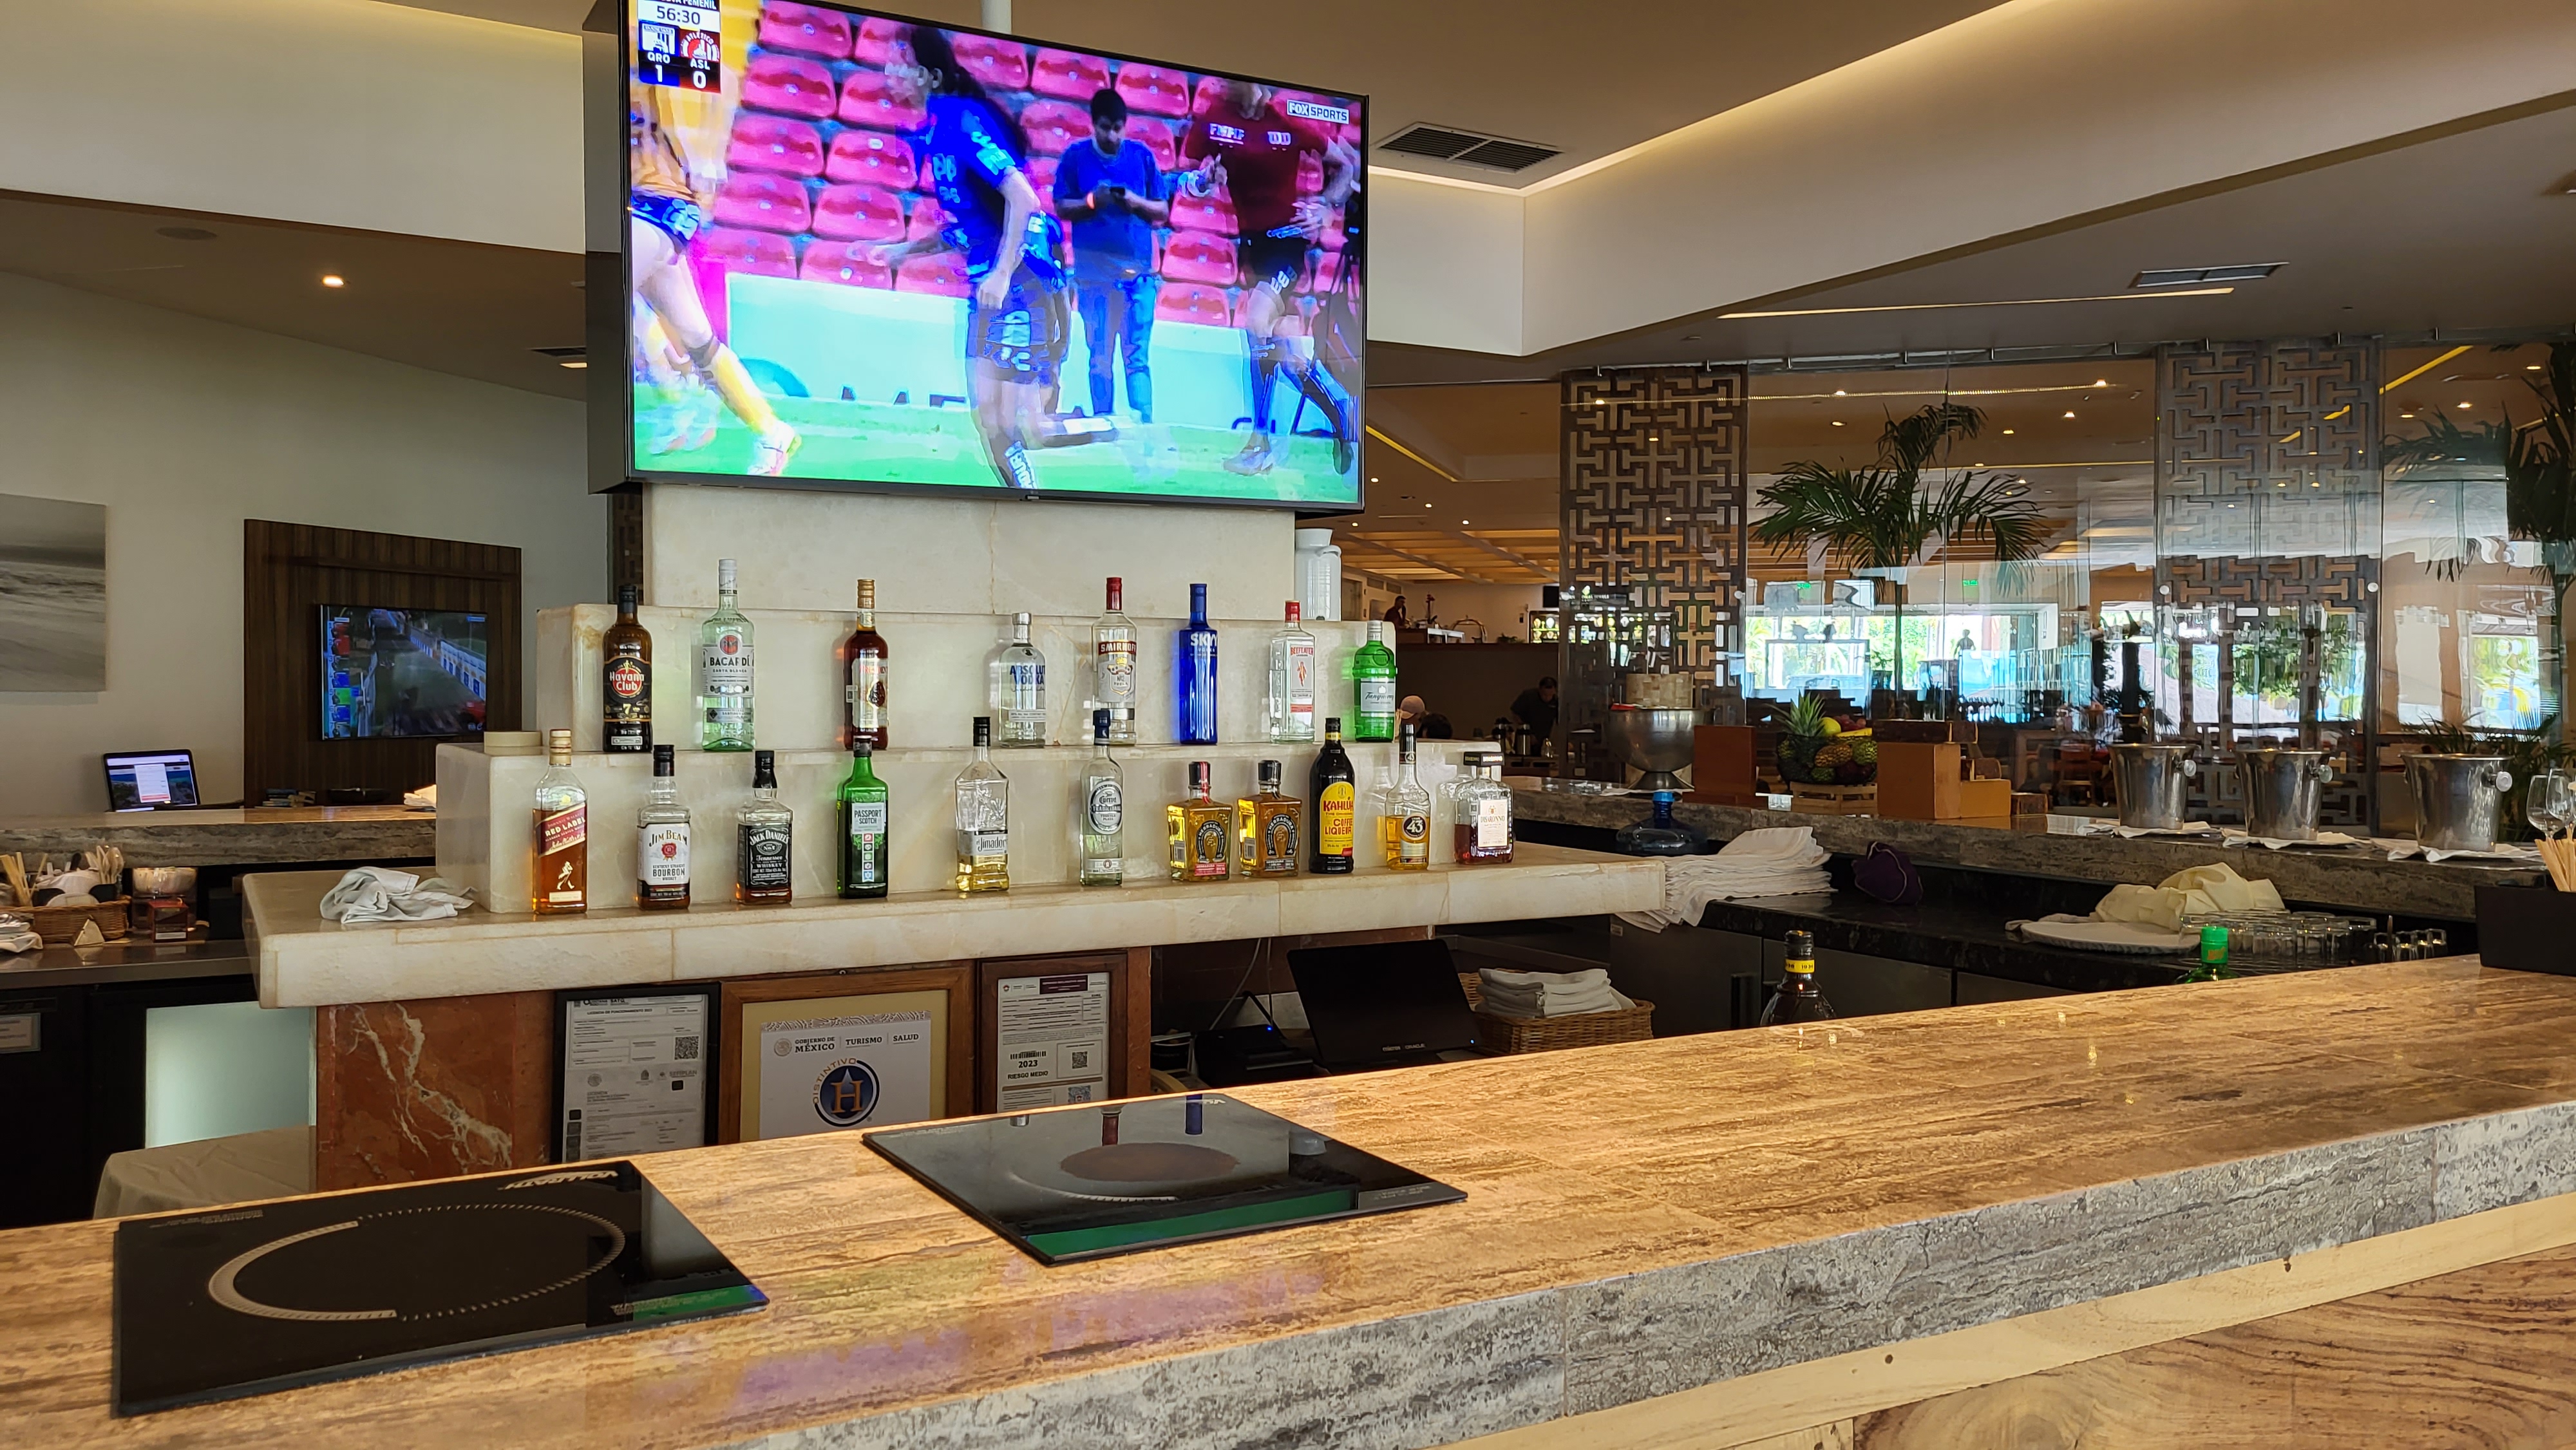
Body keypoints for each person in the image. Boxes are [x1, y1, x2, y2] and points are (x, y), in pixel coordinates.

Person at [874, 26, 1072, 491]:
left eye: (902, 62)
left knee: (1023, 428)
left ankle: (1121, 434)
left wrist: (1001, 274)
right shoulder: (935, 129)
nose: (889, 70)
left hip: (1021, 282)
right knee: (989, 424)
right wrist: (905, 250)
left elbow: (1024, 200)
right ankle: (1029, 501)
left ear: (930, 76)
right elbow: (971, 224)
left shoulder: (960, 122)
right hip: (988, 289)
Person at [1179, 80, 1360, 477]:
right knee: (1288, 359)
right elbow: (1185, 184)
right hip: (1251, 252)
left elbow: (1348, 166)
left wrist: (1326, 205)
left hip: (1287, 246)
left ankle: (1258, 445)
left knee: (1256, 323)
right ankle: (1341, 413)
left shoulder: (1289, 122)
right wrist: (1205, 181)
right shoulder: (1214, 120)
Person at [628, 84, 802, 476]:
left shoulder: (656, 75)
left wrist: (702, 162)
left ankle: (675, 395)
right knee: (697, 337)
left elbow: (699, 109)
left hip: (660, 204)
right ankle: (772, 431)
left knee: (615, 293)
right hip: (643, 206)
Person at [1054, 88, 1168, 424]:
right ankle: (1105, 426)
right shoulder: (1075, 157)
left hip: (1138, 278)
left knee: (1137, 360)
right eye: (1106, 128)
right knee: (1100, 360)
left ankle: (1143, 428)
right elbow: (1061, 206)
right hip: (1094, 279)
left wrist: (1134, 201)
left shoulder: (1142, 156)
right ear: (1093, 124)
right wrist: (1093, 201)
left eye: (1118, 128)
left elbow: (1162, 211)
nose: (1113, 136)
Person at [1509, 676, 1559, 742]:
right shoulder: (1528, 696)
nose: (1547, 698)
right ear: (1540, 690)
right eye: (1545, 695)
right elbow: (1515, 713)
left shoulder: (1556, 701)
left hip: (1544, 738)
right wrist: (1526, 731)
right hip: (1525, 737)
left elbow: (1560, 721)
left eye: (1550, 695)